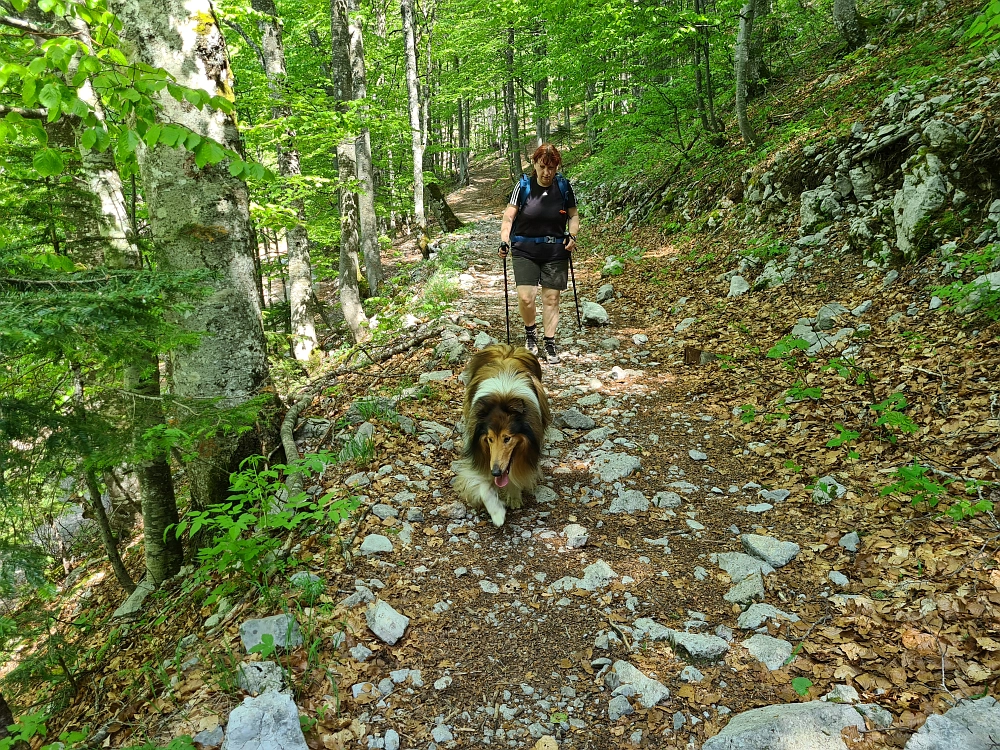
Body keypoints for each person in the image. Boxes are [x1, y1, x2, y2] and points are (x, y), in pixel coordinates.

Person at [498, 143, 580, 364]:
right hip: (525, 249)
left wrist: (572, 236)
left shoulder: (563, 186)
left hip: (555, 250)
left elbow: (573, 216)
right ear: (534, 164)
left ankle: (550, 342)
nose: (547, 173)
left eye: (552, 168)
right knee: (526, 298)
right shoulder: (523, 186)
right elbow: (509, 217)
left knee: (551, 298)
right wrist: (504, 239)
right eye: (543, 167)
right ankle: (530, 334)